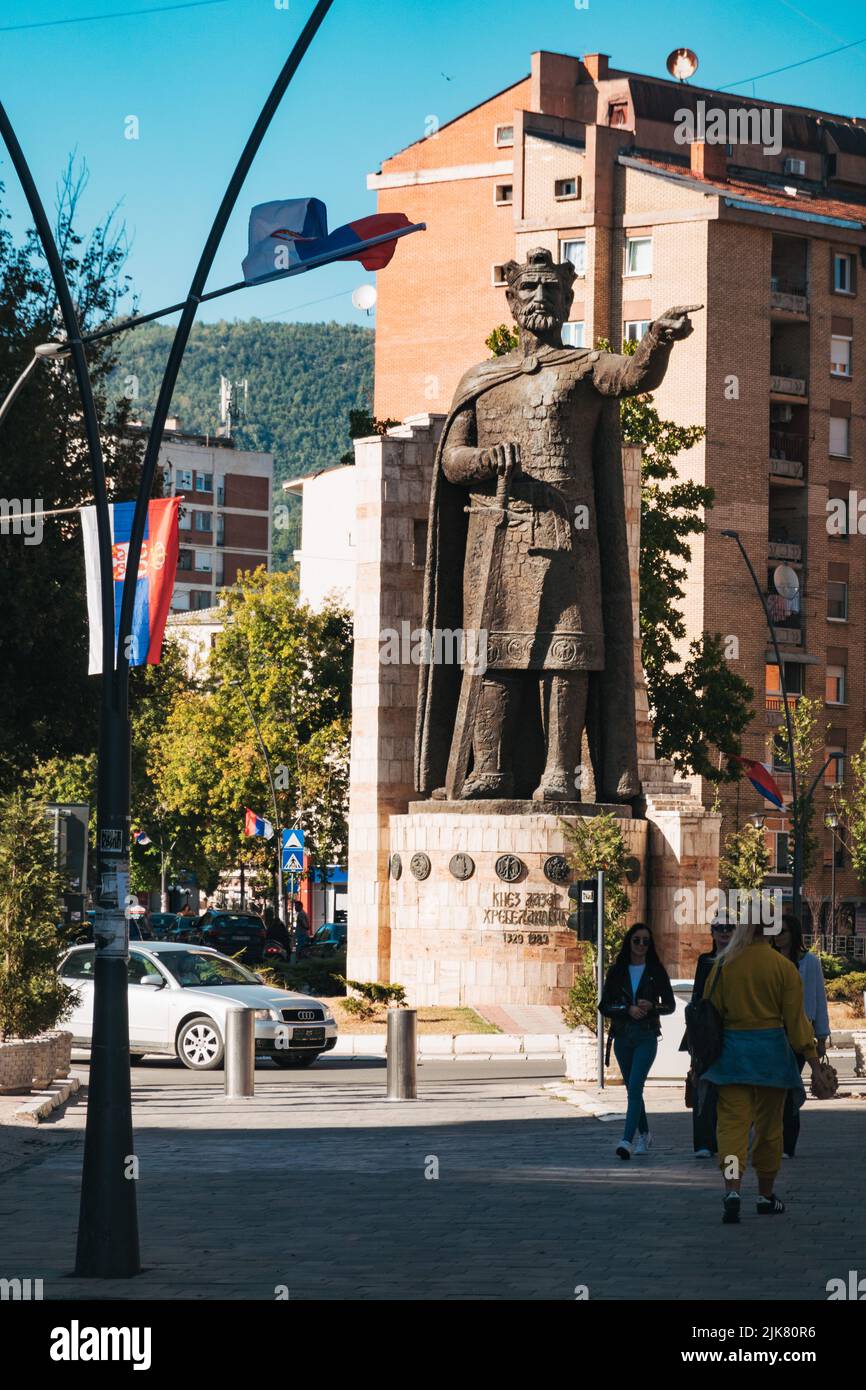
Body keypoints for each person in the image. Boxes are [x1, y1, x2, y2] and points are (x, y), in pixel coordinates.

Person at [701, 915, 829, 1224]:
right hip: (772, 1058)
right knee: (770, 1131)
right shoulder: (783, 967)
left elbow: (707, 1012)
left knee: (731, 1128)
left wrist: (698, 1063)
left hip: (731, 1058)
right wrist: (814, 1064)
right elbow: (797, 1025)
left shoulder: (722, 965)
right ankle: (765, 1194)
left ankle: (732, 1188)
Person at [599, 922, 676, 1160]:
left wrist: (652, 1006)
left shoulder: (656, 971)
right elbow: (604, 1006)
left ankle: (626, 1140)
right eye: (637, 940)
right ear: (629, 942)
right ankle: (645, 1134)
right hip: (622, 1035)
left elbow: (670, 1005)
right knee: (632, 1088)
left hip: (646, 1035)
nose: (641, 945)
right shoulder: (617, 971)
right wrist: (627, 1009)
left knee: (635, 1087)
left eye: (646, 941)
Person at [773, 912, 830, 1158]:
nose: (777, 937)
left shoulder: (810, 963)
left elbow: (819, 1000)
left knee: (789, 1085)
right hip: (772, 1032)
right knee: (772, 1090)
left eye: (782, 932)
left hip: (799, 1033)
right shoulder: (769, 962)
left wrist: (822, 1036)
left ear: (793, 934)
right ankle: (770, 1139)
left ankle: (787, 1143)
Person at [680, 914, 735, 1157]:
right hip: (706, 1031)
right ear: (711, 932)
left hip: (732, 1028)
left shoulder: (739, 959)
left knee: (732, 1089)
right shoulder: (705, 961)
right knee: (703, 1084)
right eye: (719, 928)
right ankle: (703, 1143)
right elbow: (697, 997)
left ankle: (727, 1139)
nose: (724, 932)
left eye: (729, 928)